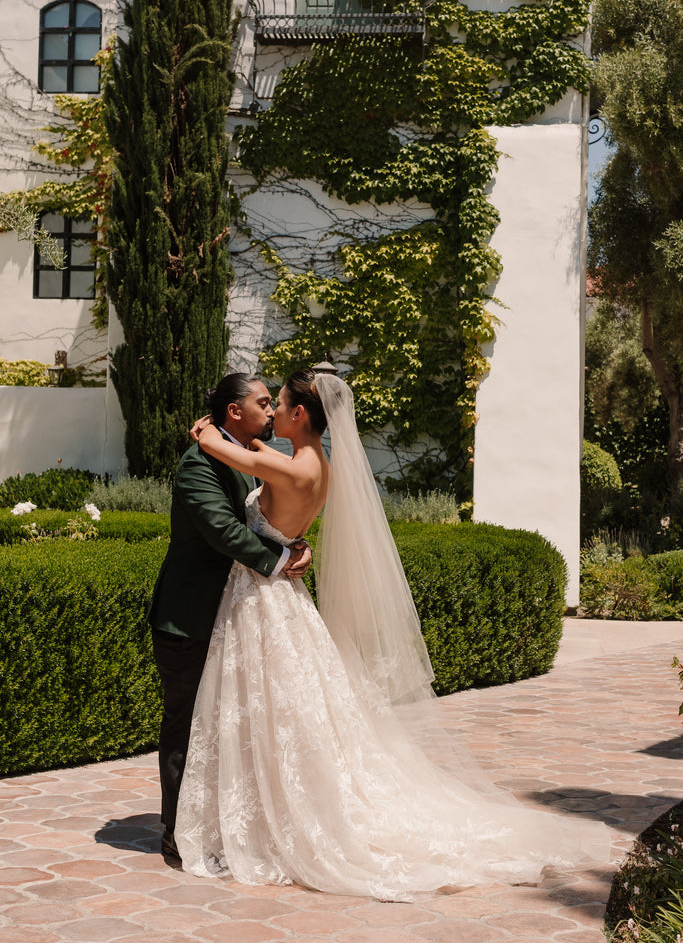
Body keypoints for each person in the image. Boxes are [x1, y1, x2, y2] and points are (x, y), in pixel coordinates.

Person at [174, 369, 610, 899]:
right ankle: (269, 810)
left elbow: (238, 474)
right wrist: (292, 547)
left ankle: (278, 816)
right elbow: (258, 479)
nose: (271, 414)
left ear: (300, 415)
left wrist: (206, 436)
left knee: (273, 712)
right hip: (280, 600)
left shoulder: (272, 463)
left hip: (262, 600)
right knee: (286, 714)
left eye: (279, 405)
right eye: (264, 405)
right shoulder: (317, 466)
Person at [148, 373, 311, 860]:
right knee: (186, 725)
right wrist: (280, 562)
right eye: (263, 402)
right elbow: (222, 529)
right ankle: (178, 834)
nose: (271, 410)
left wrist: (293, 545)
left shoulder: (246, 457)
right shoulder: (199, 463)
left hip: (236, 617)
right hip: (190, 618)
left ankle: (224, 827)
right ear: (234, 411)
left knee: (230, 725)